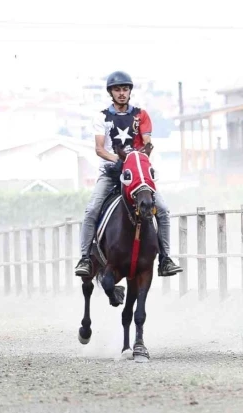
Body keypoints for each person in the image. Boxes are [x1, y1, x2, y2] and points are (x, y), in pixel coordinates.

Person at [74, 70, 184, 278]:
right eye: (117, 90)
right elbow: (99, 149)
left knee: (162, 209)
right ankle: (85, 258)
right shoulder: (102, 117)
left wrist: (139, 158)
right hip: (111, 172)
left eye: (125, 89)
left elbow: (147, 140)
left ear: (130, 91)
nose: (122, 93)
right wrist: (123, 162)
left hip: (138, 174)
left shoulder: (141, 115)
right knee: (91, 210)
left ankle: (165, 259)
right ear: (111, 93)